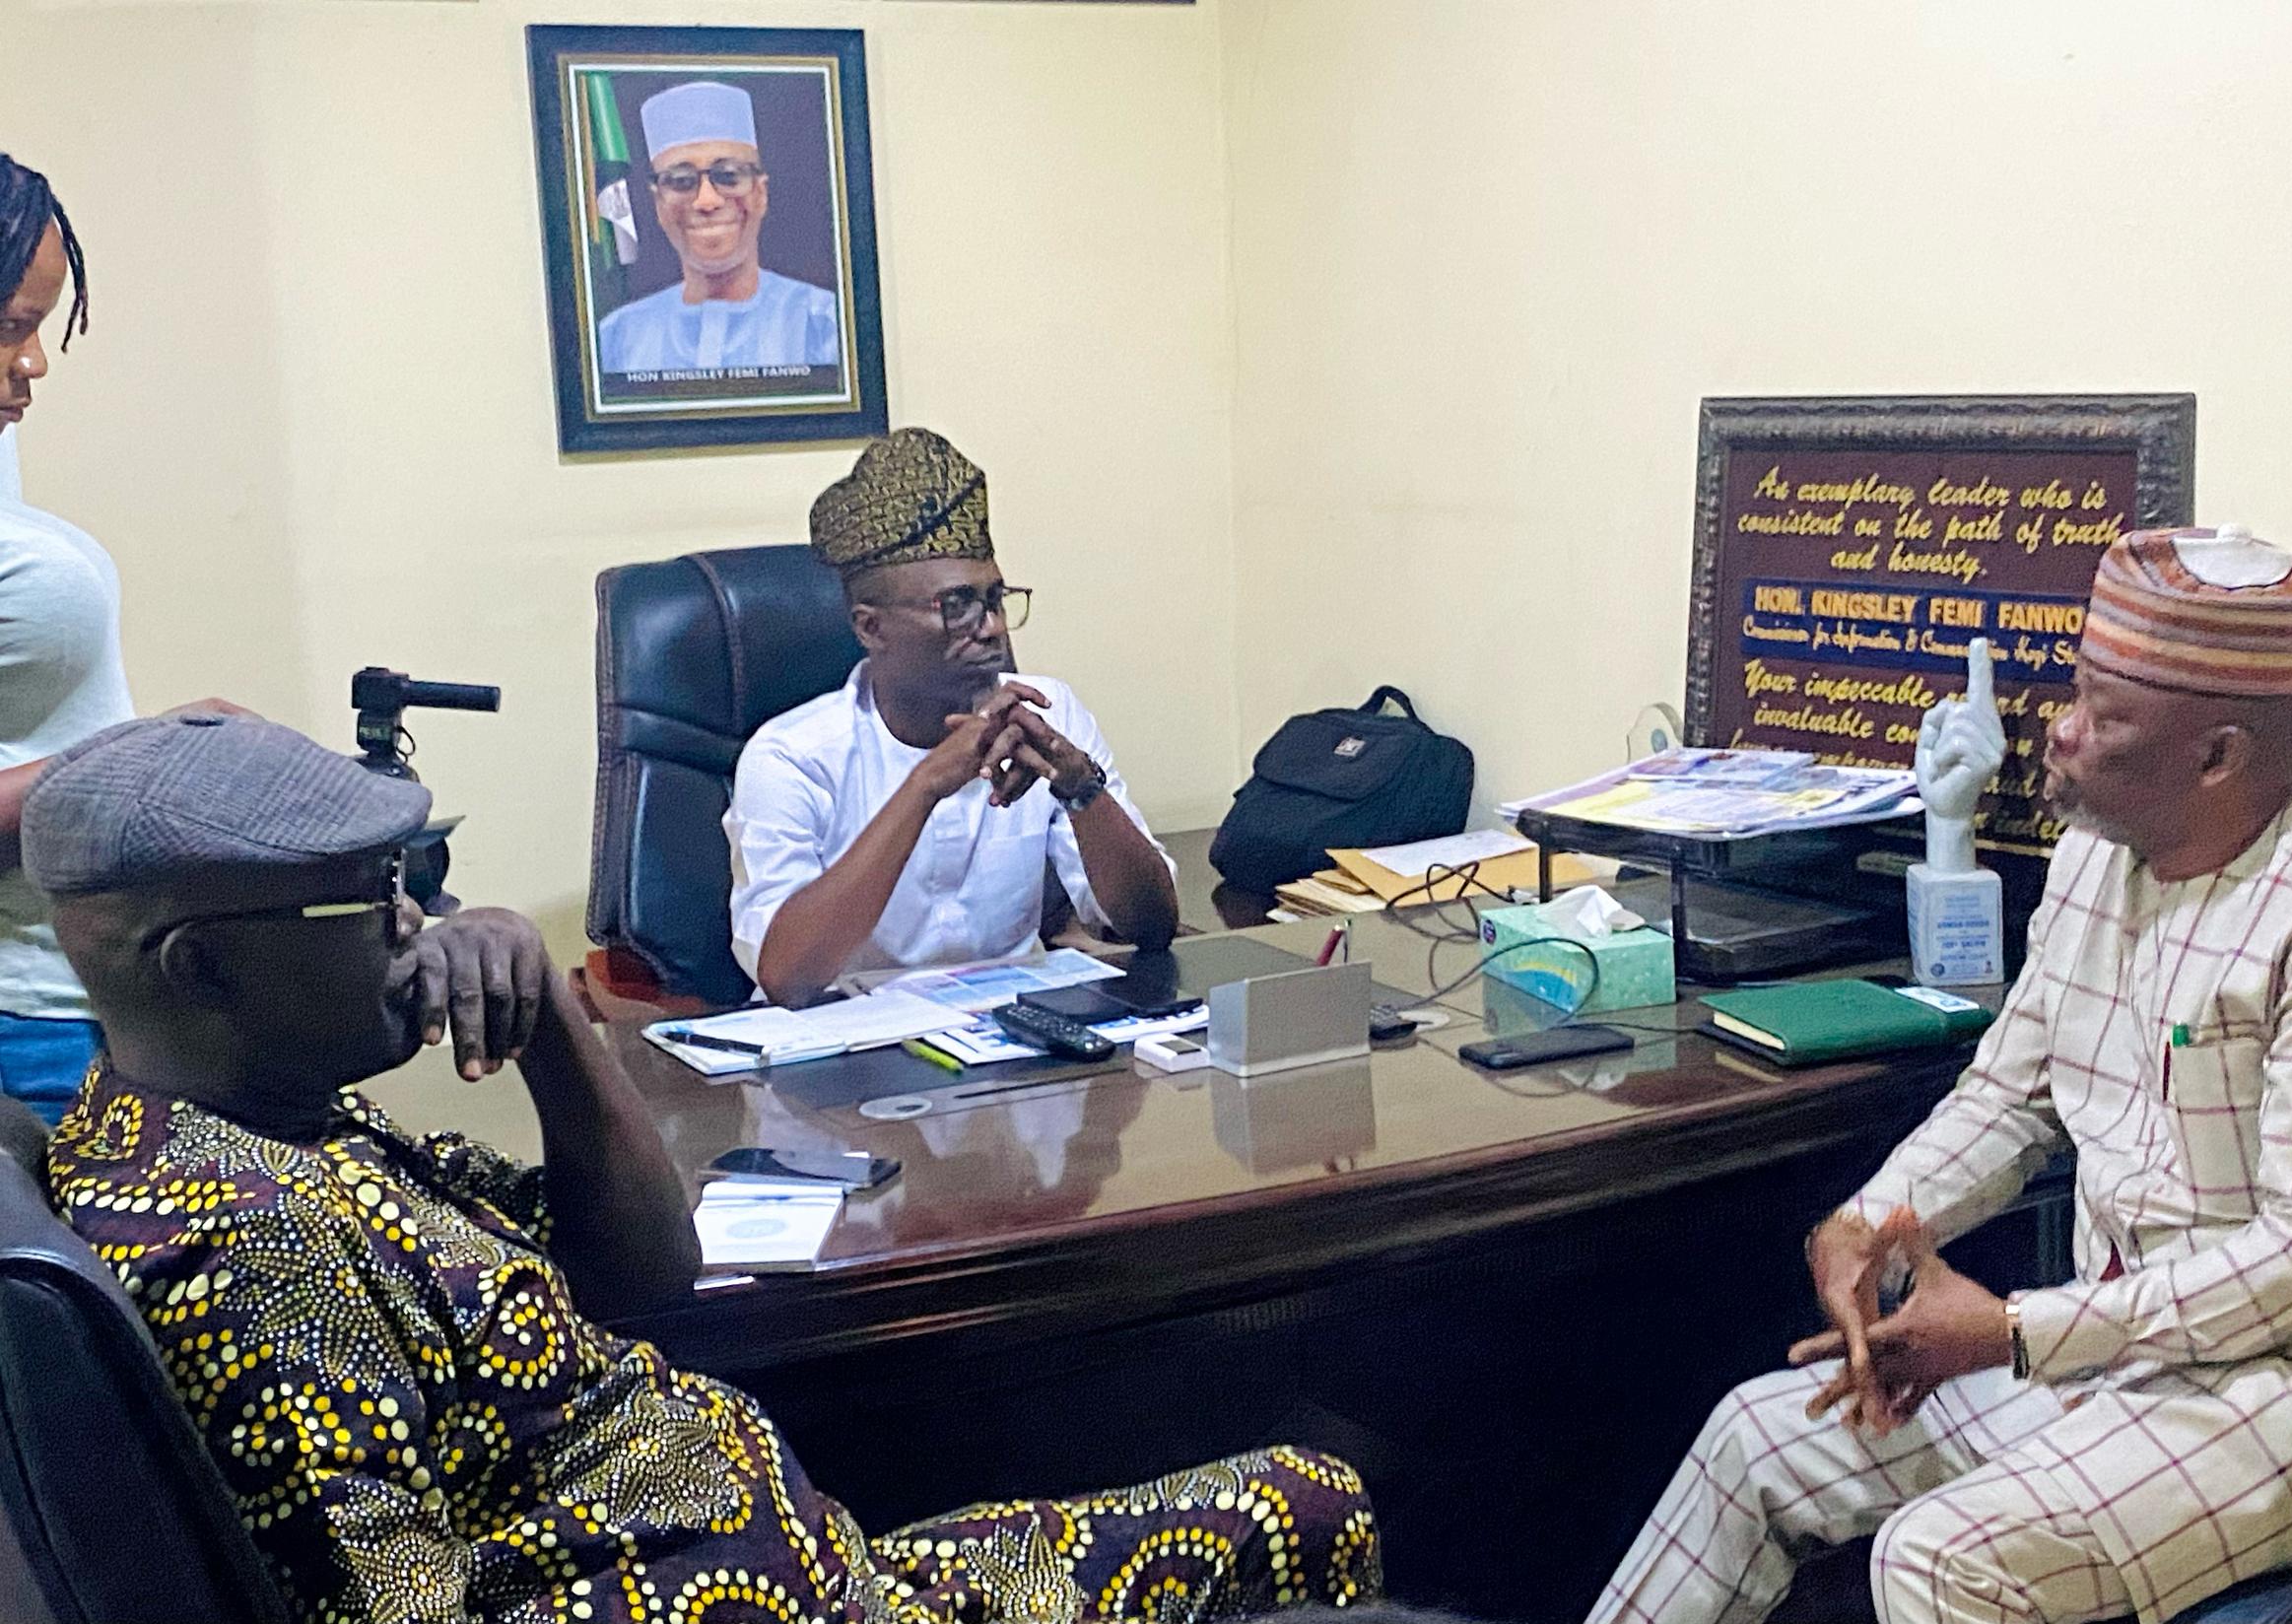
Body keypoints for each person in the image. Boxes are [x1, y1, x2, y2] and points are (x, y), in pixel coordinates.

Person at [34, 712, 1381, 1622]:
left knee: (1271, 1470)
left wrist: (554, 1024)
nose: (414, 920)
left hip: (801, 1561)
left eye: (411, 876)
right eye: (368, 894)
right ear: (200, 964)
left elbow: (643, 1276)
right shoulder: (253, 1254)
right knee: (1307, 1500)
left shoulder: (277, 1127)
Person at [1593, 528, 2292, 1624]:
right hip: (2146, 1354)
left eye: (2100, 713)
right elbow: (2010, 1093)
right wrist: (1872, 1224)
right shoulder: (2095, 854)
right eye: (2074, 692)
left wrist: (2020, 1332)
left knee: (1943, 1557)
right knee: (1755, 1441)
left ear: (2217, 755)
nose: (2060, 730)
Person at [727, 427, 1180, 1004]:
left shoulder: (1049, 713)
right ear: (872, 627)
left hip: (1013, 1031)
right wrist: (927, 784)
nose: (992, 628)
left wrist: (1080, 787)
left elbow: (1152, 926)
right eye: (958, 606)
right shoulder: (792, 756)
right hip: (847, 1041)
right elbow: (788, 975)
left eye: (995, 600)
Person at [0, 154, 244, 1122]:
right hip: (23, 1026)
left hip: (99, 994)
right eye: (11, 326)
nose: (35, 361)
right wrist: (139, 763)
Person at [595, 79, 843, 376]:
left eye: (728, 176)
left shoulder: (826, 325)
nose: (707, 200)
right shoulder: (616, 339)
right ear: (659, 203)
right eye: (681, 181)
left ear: (760, 193)